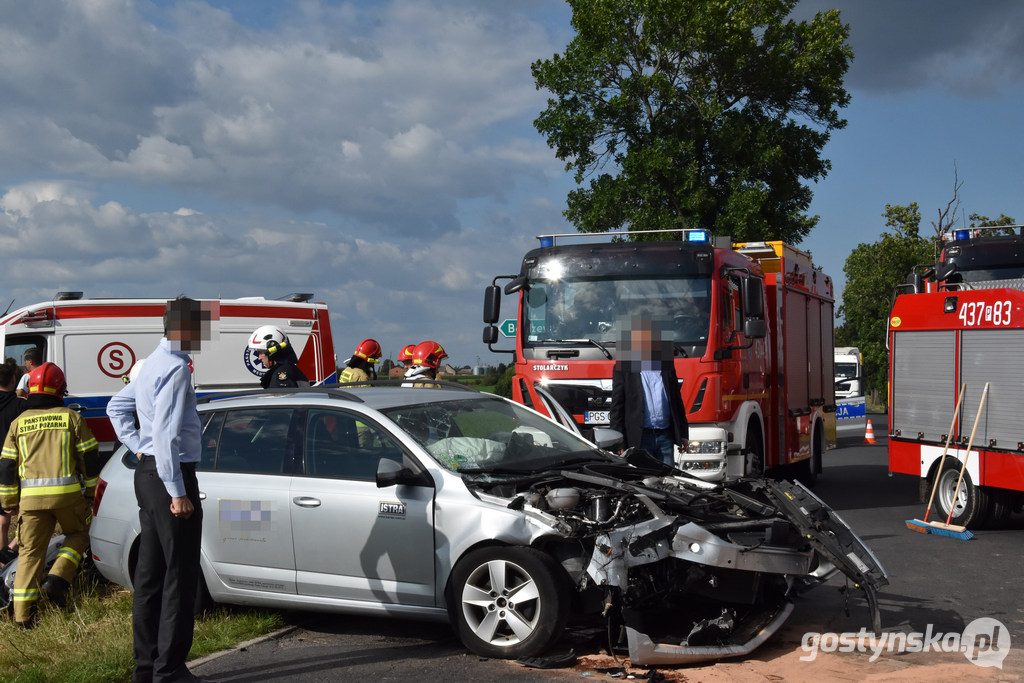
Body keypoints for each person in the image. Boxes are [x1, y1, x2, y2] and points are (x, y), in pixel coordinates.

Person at [107, 297, 213, 683]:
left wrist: (138, 445)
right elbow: (167, 434)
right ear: (185, 329)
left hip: (147, 474)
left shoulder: (151, 363)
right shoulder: (175, 368)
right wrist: (178, 491)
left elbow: (116, 407)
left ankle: (146, 668)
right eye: (200, 326)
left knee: (150, 577)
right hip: (170, 475)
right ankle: (169, 670)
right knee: (180, 576)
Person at [0, 362, 99, 627]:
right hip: (68, 499)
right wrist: (90, 492)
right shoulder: (72, 418)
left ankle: (23, 620)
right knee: (79, 534)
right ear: (60, 390)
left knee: (30, 554)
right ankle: (57, 579)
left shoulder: (18, 423)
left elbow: (7, 465)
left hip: (30, 502)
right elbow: (89, 458)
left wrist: (10, 503)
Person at [609, 314, 688, 466]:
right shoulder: (623, 369)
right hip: (639, 438)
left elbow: (677, 402)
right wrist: (618, 442)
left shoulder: (667, 367)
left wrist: (683, 434)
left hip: (665, 437)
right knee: (644, 482)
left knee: (668, 482)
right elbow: (617, 407)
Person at [0, 363, 26, 566]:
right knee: (23, 514)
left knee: (2, 520)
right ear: (12, 381)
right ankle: (14, 555)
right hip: (15, 466)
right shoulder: (20, 406)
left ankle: (2, 561)